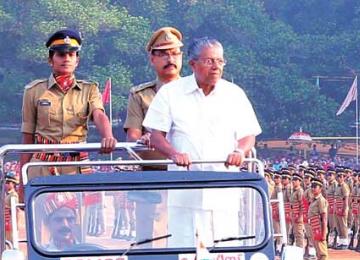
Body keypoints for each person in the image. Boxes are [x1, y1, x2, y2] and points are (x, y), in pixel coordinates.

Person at [143, 37, 261, 246]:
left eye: (220, 61)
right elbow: (156, 135)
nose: (216, 67)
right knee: (184, 254)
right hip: (185, 190)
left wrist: (240, 152)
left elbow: (248, 135)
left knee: (226, 253)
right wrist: (174, 154)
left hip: (223, 189)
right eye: (209, 61)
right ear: (193, 64)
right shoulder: (171, 93)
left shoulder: (234, 94)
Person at [21, 29, 117, 177]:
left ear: (77, 61)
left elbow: (99, 115)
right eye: (60, 54)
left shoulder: (89, 89)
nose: (66, 59)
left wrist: (108, 136)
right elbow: (27, 138)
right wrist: (22, 183)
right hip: (42, 166)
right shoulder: (34, 90)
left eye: (71, 55)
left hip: (77, 166)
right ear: (50, 60)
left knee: (83, 200)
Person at [124, 27, 183, 245]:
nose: (170, 58)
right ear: (152, 58)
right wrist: (143, 139)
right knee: (148, 240)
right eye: (164, 53)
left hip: (188, 174)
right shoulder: (140, 95)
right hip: (153, 175)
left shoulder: (194, 91)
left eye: (175, 53)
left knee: (188, 235)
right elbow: (133, 137)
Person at [307, 177, 328, 260]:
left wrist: (324, 233)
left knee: (322, 252)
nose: (313, 189)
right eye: (312, 187)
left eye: (316, 187)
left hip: (319, 228)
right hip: (314, 228)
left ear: (320, 188)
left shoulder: (321, 200)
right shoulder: (314, 200)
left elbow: (324, 217)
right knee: (318, 252)